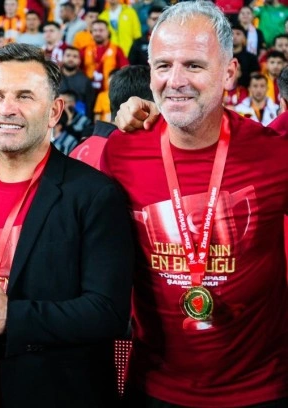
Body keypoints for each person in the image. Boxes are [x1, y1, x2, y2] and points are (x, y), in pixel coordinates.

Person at [101, 2, 288, 406]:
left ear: (229, 73)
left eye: (194, 65)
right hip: (153, 389)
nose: (176, 80)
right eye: (163, 66)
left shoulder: (275, 155)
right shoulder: (120, 152)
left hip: (261, 391)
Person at [0, 42, 133, 407]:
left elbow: (108, 312)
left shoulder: (93, 193)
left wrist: (12, 317)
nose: (7, 108)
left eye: (24, 96)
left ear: (54, 111)